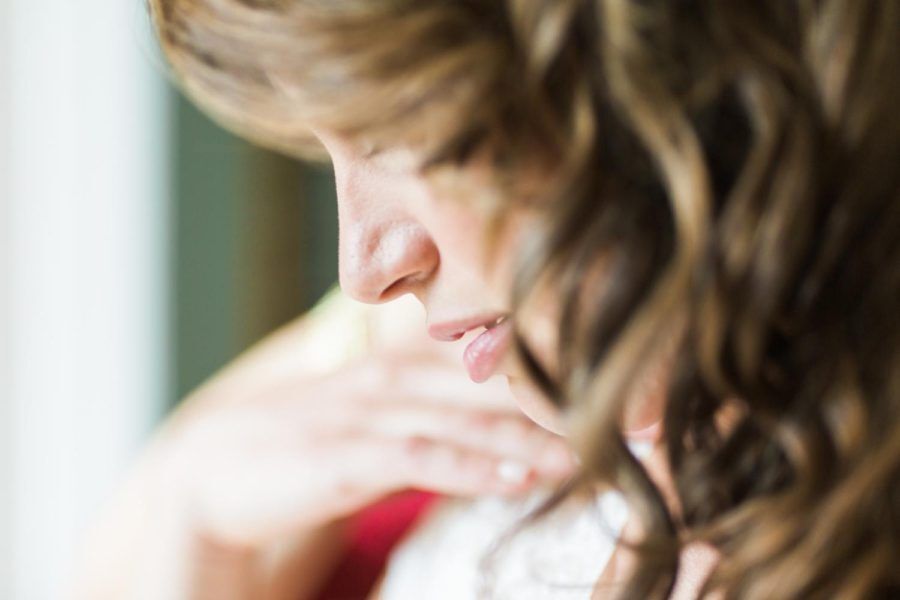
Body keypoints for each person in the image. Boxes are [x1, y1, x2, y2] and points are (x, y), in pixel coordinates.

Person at [76, 1, 899, 598]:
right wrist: (181, 503)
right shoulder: (420, 421)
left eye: (396, 125)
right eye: (325, 152)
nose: (366, 266)